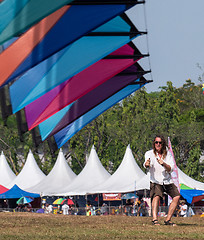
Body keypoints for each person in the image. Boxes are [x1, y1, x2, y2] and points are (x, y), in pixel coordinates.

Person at [144, 135, 180, 226]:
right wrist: (147, 164)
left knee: (176, 196)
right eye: (156, 142)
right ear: (154, 143)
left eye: (160, 142)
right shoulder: (149, 153)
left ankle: (168, 220)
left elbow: (170, 169)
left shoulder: (168, 154)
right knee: (156, 197)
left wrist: (163, 163)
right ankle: (155, 220)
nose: (158, 144)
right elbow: (146, 164)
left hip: (167, 180)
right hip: (156, 180)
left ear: (163, 144)